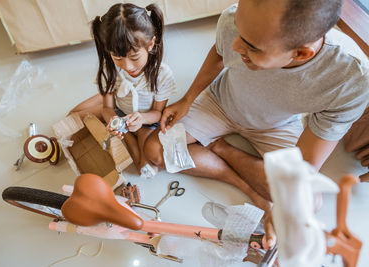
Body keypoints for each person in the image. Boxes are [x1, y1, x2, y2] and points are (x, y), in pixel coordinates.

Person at [144, 0, 369, 248]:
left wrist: (287, 203)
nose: (236, 44)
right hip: (221, 102)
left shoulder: (350, 80)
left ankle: (220, 148)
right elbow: (219, 53)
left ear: (301, 53)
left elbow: (303, 172)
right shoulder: (235, 18)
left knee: (305, 201)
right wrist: (188, 98)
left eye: (252, 46)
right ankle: (253, 193)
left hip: (277, 125)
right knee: (154, 150)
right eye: (239, 31)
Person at [70, 3, 176, 177]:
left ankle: (129, 138)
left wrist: (140, 120)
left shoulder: (162, 74)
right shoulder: (109, 69)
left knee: (146, 168)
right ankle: (125, 133)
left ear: (151, 44)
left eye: (134, 57)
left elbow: (158, 113)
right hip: (120, 110)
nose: (127, 66)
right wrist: (112, 120)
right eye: (117, 58)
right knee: (72, 116)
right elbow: (107, 108)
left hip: (146, 118)